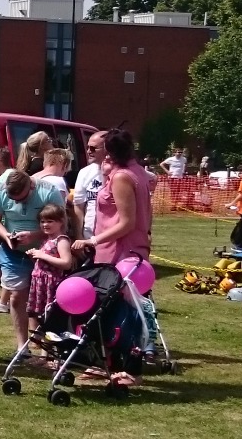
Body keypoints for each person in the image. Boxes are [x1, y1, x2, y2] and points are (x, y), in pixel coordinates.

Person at [0, 168, 67, 350]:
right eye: (13, 199)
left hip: (45, 252)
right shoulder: (1, 190)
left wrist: (34, 235)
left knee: (45, 300)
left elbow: (62, 224)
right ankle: (22, 346)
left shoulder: (48, 191)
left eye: (21, 198)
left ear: (31, 186)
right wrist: (6, 235)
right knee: (16, 297)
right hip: (13, 252)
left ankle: (46, 347)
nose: (17, 202)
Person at [83, 128, 153, 267]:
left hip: (119, 252)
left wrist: (93, 241)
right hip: (132, 248)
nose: (90, 151)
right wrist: (105, 175)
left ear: (108, 152)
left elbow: (127, 223)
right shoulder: (137, 170)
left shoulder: (122, 177)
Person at [25, 204, 75, 327]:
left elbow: (66, 263)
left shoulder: (61, 240)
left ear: (61, 222)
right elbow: (44, 262)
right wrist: (34, 257)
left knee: (50, 313)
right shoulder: (47, 239)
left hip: (51, 284)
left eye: (50, 221)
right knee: (36, 312)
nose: (45, 224)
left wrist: (42, 255)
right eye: (42, 221)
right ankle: (37, 338)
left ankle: (49, 338)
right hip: (39, 282)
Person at [73, 131, 108, 239]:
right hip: (89, 237)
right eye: (88, 147)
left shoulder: (122, 172)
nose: (88, 151)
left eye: (93, 148)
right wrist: (79, 235)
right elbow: (78, 206)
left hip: (113, 238)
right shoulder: (84, 172)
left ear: (107, 149)